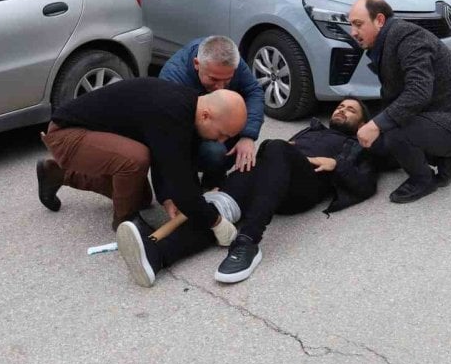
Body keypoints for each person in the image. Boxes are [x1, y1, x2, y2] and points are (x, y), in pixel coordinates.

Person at [115, 99, 378, 288]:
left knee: (275, 147)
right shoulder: (313, 129)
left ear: (362, 123)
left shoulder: (357, 144)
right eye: (340, 106)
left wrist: (336, 165)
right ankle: (158, 255)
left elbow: (366, 185)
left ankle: (248, 242)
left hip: (304, 187)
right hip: (271, 179)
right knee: (220, 215)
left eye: (351, 109)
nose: (342, 109)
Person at [36, 78, 247, 243]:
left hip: (94, 136)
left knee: (141, 198)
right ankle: (124, 221)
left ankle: (57, 174)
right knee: (135, 160)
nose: (222, 141)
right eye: (222, 134)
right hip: (67, 135)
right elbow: (181, 182)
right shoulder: (171, 113)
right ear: (206, 116)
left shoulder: (187, 105)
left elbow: (178, 161)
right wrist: (215, 222)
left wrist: (167, 197)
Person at [347, 0, 451, 204]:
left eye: (359, 24)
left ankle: (423, 180)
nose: (353, 32)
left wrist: (377, 125)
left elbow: (418, 92)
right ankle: (445, 159)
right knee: (383, 142)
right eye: (351, 25)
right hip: (443, 118)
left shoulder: (408, 38)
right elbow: (395, 95)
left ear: (380, 20)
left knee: (394, 130)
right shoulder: (389, 39)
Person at [159, 35, 265, 188]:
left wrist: (248, 136)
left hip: (215, 122)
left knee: (232, 143)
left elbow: (254, 92)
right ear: (197, 64)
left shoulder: (232, 62)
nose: (221, 87)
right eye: (214, 79)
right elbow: (172, 139)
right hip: (186, 131)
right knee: (214, 151)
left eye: (227, 80)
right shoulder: (172, 79)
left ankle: (214, 181)